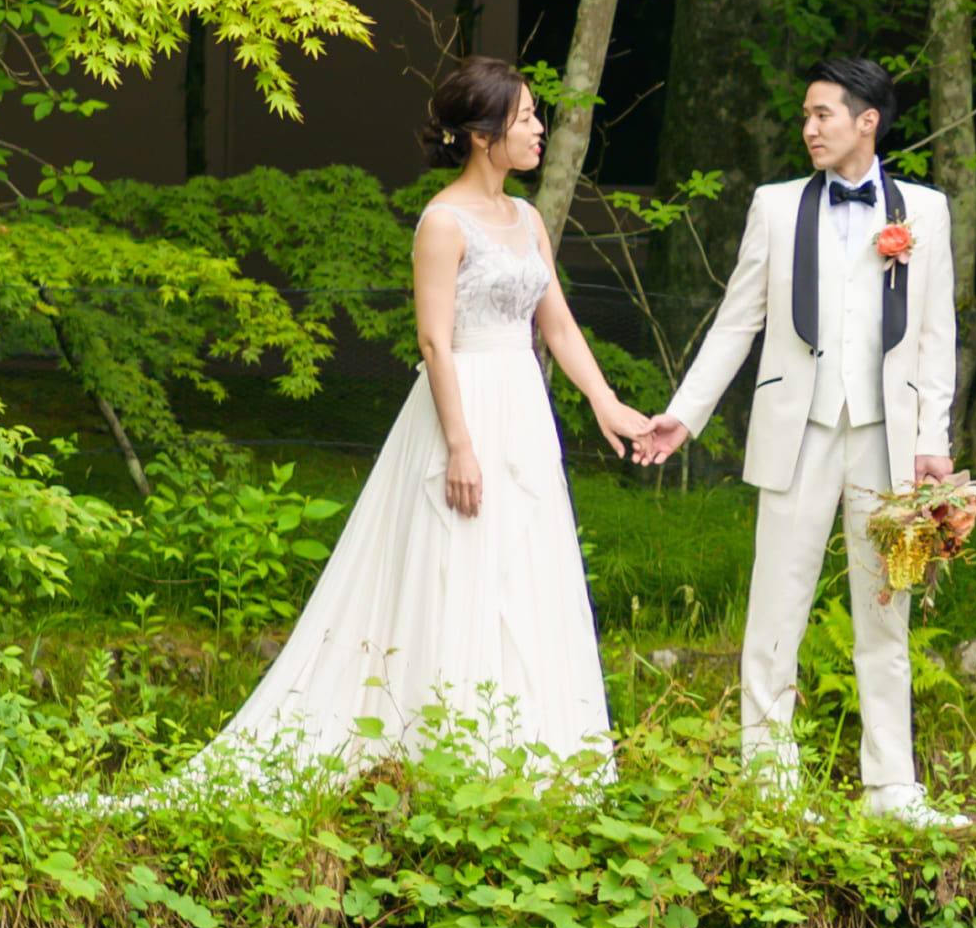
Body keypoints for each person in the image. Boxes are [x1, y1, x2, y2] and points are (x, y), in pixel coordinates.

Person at [177, 57, 662, 777]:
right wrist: (460, 446)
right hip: (461, 404)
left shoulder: (528, 219)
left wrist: (606, 402)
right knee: (455, 563)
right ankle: (442, 748)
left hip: (523, 407)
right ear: (480, 133)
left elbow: (556, 324)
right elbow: (434, 339)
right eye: (526, 116)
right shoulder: (442, 221)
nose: (538, 130)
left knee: (527, 563)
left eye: (534, 115)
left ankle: (533, 753)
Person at [638, 54, 963, 817]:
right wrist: (683, 415)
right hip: (797, 432)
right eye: (807, 115)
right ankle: (770, 783)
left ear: (867, 121)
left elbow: (936, 334)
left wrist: (932, 440)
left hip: (887, 442)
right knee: (774, 609)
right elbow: (737, 322)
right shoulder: (775, 206)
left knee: (887, 614)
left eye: (823, 115)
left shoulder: (927, 212)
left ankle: (890, 786)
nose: (808, 128)